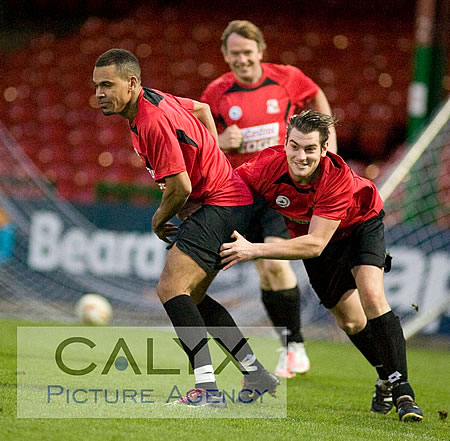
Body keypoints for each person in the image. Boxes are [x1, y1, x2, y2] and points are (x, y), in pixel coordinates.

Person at [93, 48, 279, 406]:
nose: (99, 93)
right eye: (96, 86)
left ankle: (207, 390)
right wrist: (215, 160)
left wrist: (157, 220)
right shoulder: (153, 97)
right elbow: (203, 109)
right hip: (227, 197)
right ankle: (254, 372)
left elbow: (181, 187)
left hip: (219, 203)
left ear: (131, 84)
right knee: (189, 296)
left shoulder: (151, 120)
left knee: (170, 288)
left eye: (107, 84)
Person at [219, 110, 424, 422]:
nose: (301, 156)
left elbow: (315, 244)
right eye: (295, 146)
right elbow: (227, 186)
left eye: (310, 149)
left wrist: (252, 250)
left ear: (325, 149)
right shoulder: (266, 165)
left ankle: (403, 393)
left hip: (359, 226)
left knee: (372, 296)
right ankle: (385, 376)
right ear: (285, 144)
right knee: (351, 322)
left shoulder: (336, 178)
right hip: (315, 238)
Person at [201, 20, 337, 378]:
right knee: (265, 268)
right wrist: (219, 141)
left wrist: (329, 140)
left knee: (274, 263)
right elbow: (202, 143)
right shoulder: (216, 93)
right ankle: (289, 345)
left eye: (248, 53)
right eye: (235, 54)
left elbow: (316, 94)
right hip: (241, 190)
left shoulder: (287, 77)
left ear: (260, 51)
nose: (242, 60)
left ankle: (294, 346)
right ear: (225, 56)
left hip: (281, 189)